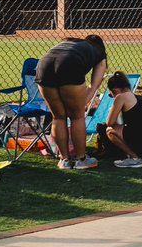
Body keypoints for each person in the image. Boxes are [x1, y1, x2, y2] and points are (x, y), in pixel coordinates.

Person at [35, 34, 108, 170]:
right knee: (77, 116)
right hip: (69, 63)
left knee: (58, 116)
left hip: (43, 64)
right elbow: (95, 85)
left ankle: (64, 160)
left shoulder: (74, 44)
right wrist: (83, 102)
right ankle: (81, 159)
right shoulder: (100, 53)